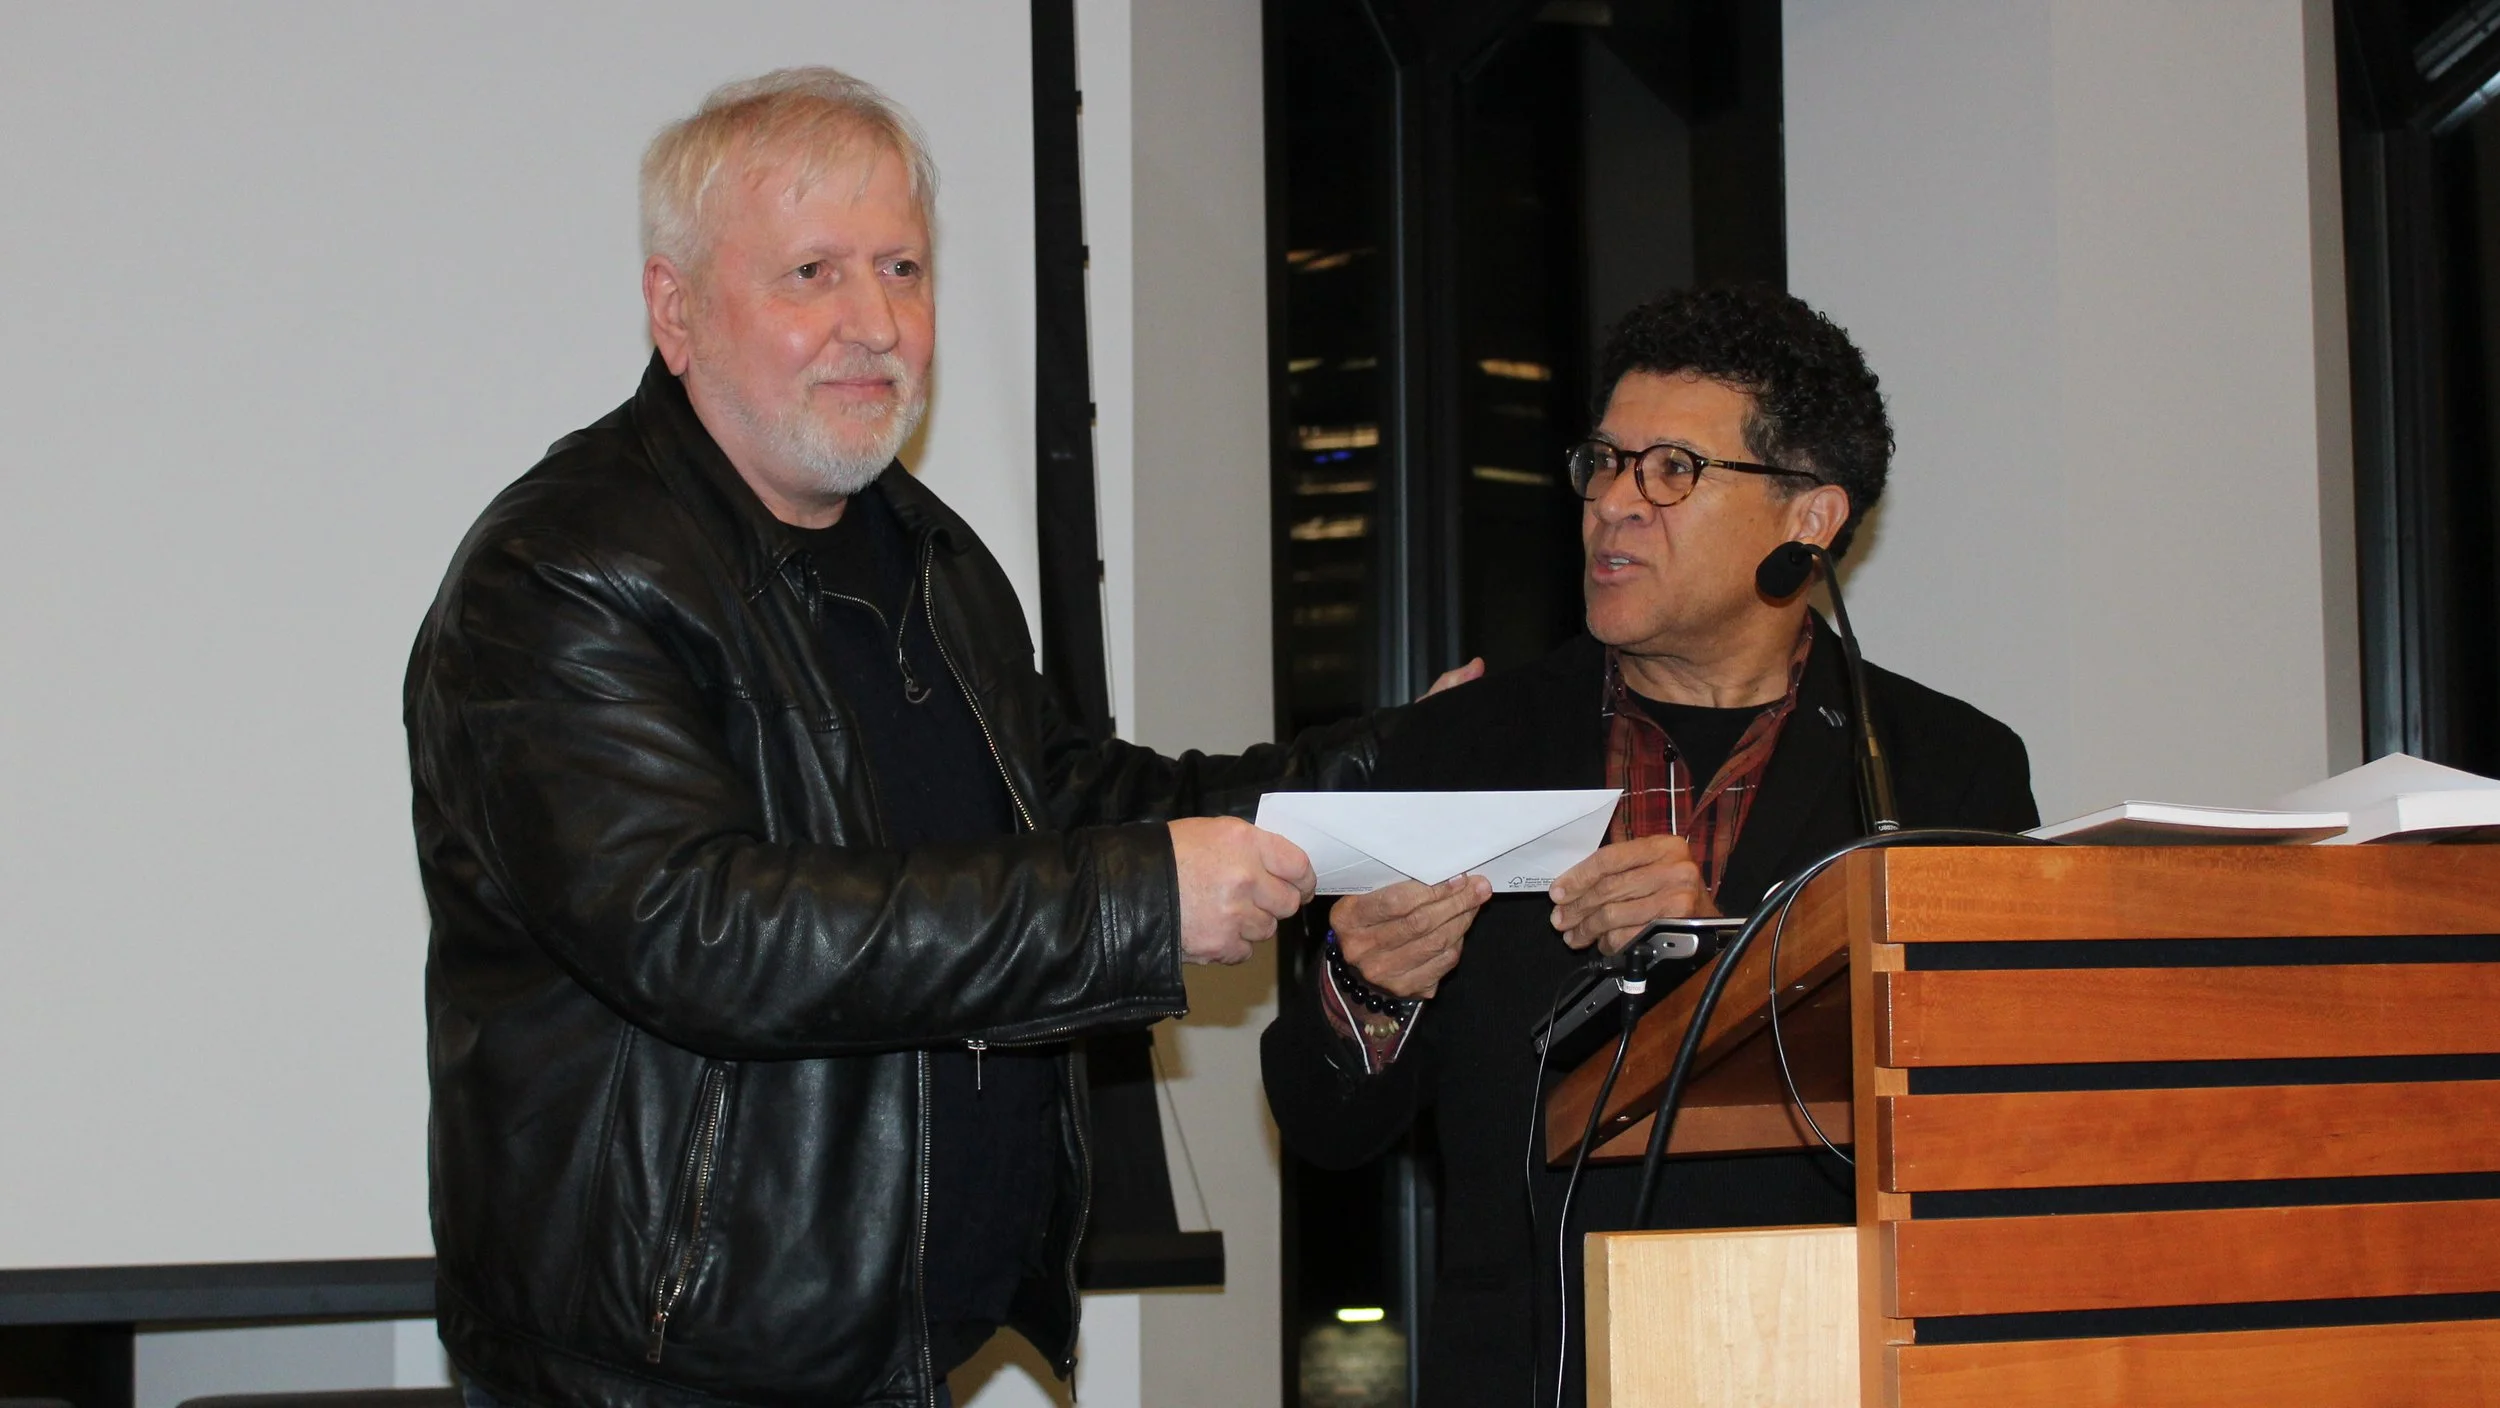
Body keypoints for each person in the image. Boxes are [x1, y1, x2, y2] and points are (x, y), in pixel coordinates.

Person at [406, 68, 1380, 1408]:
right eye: (813, 272)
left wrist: (1369, 777)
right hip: (658, 1376)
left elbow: (1061, 797)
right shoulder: (562, 574)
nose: (876, 324)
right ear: (674, 310)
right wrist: (1135, 904)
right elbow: (705, 930)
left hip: (909, 1355)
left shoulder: (929, 553)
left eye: (904, 268)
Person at [1260, 284, 2039, 1406]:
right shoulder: (1465, 741)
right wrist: (1367, 988)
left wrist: (1723, 949)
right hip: (1535, 1369)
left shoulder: (1939, 766)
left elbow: (1986, 1109)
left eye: (1671, 470)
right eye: (1605, 462)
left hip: (1838, 1364)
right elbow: (1326, 1128)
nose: (1613, 506)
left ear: (1807, 519)